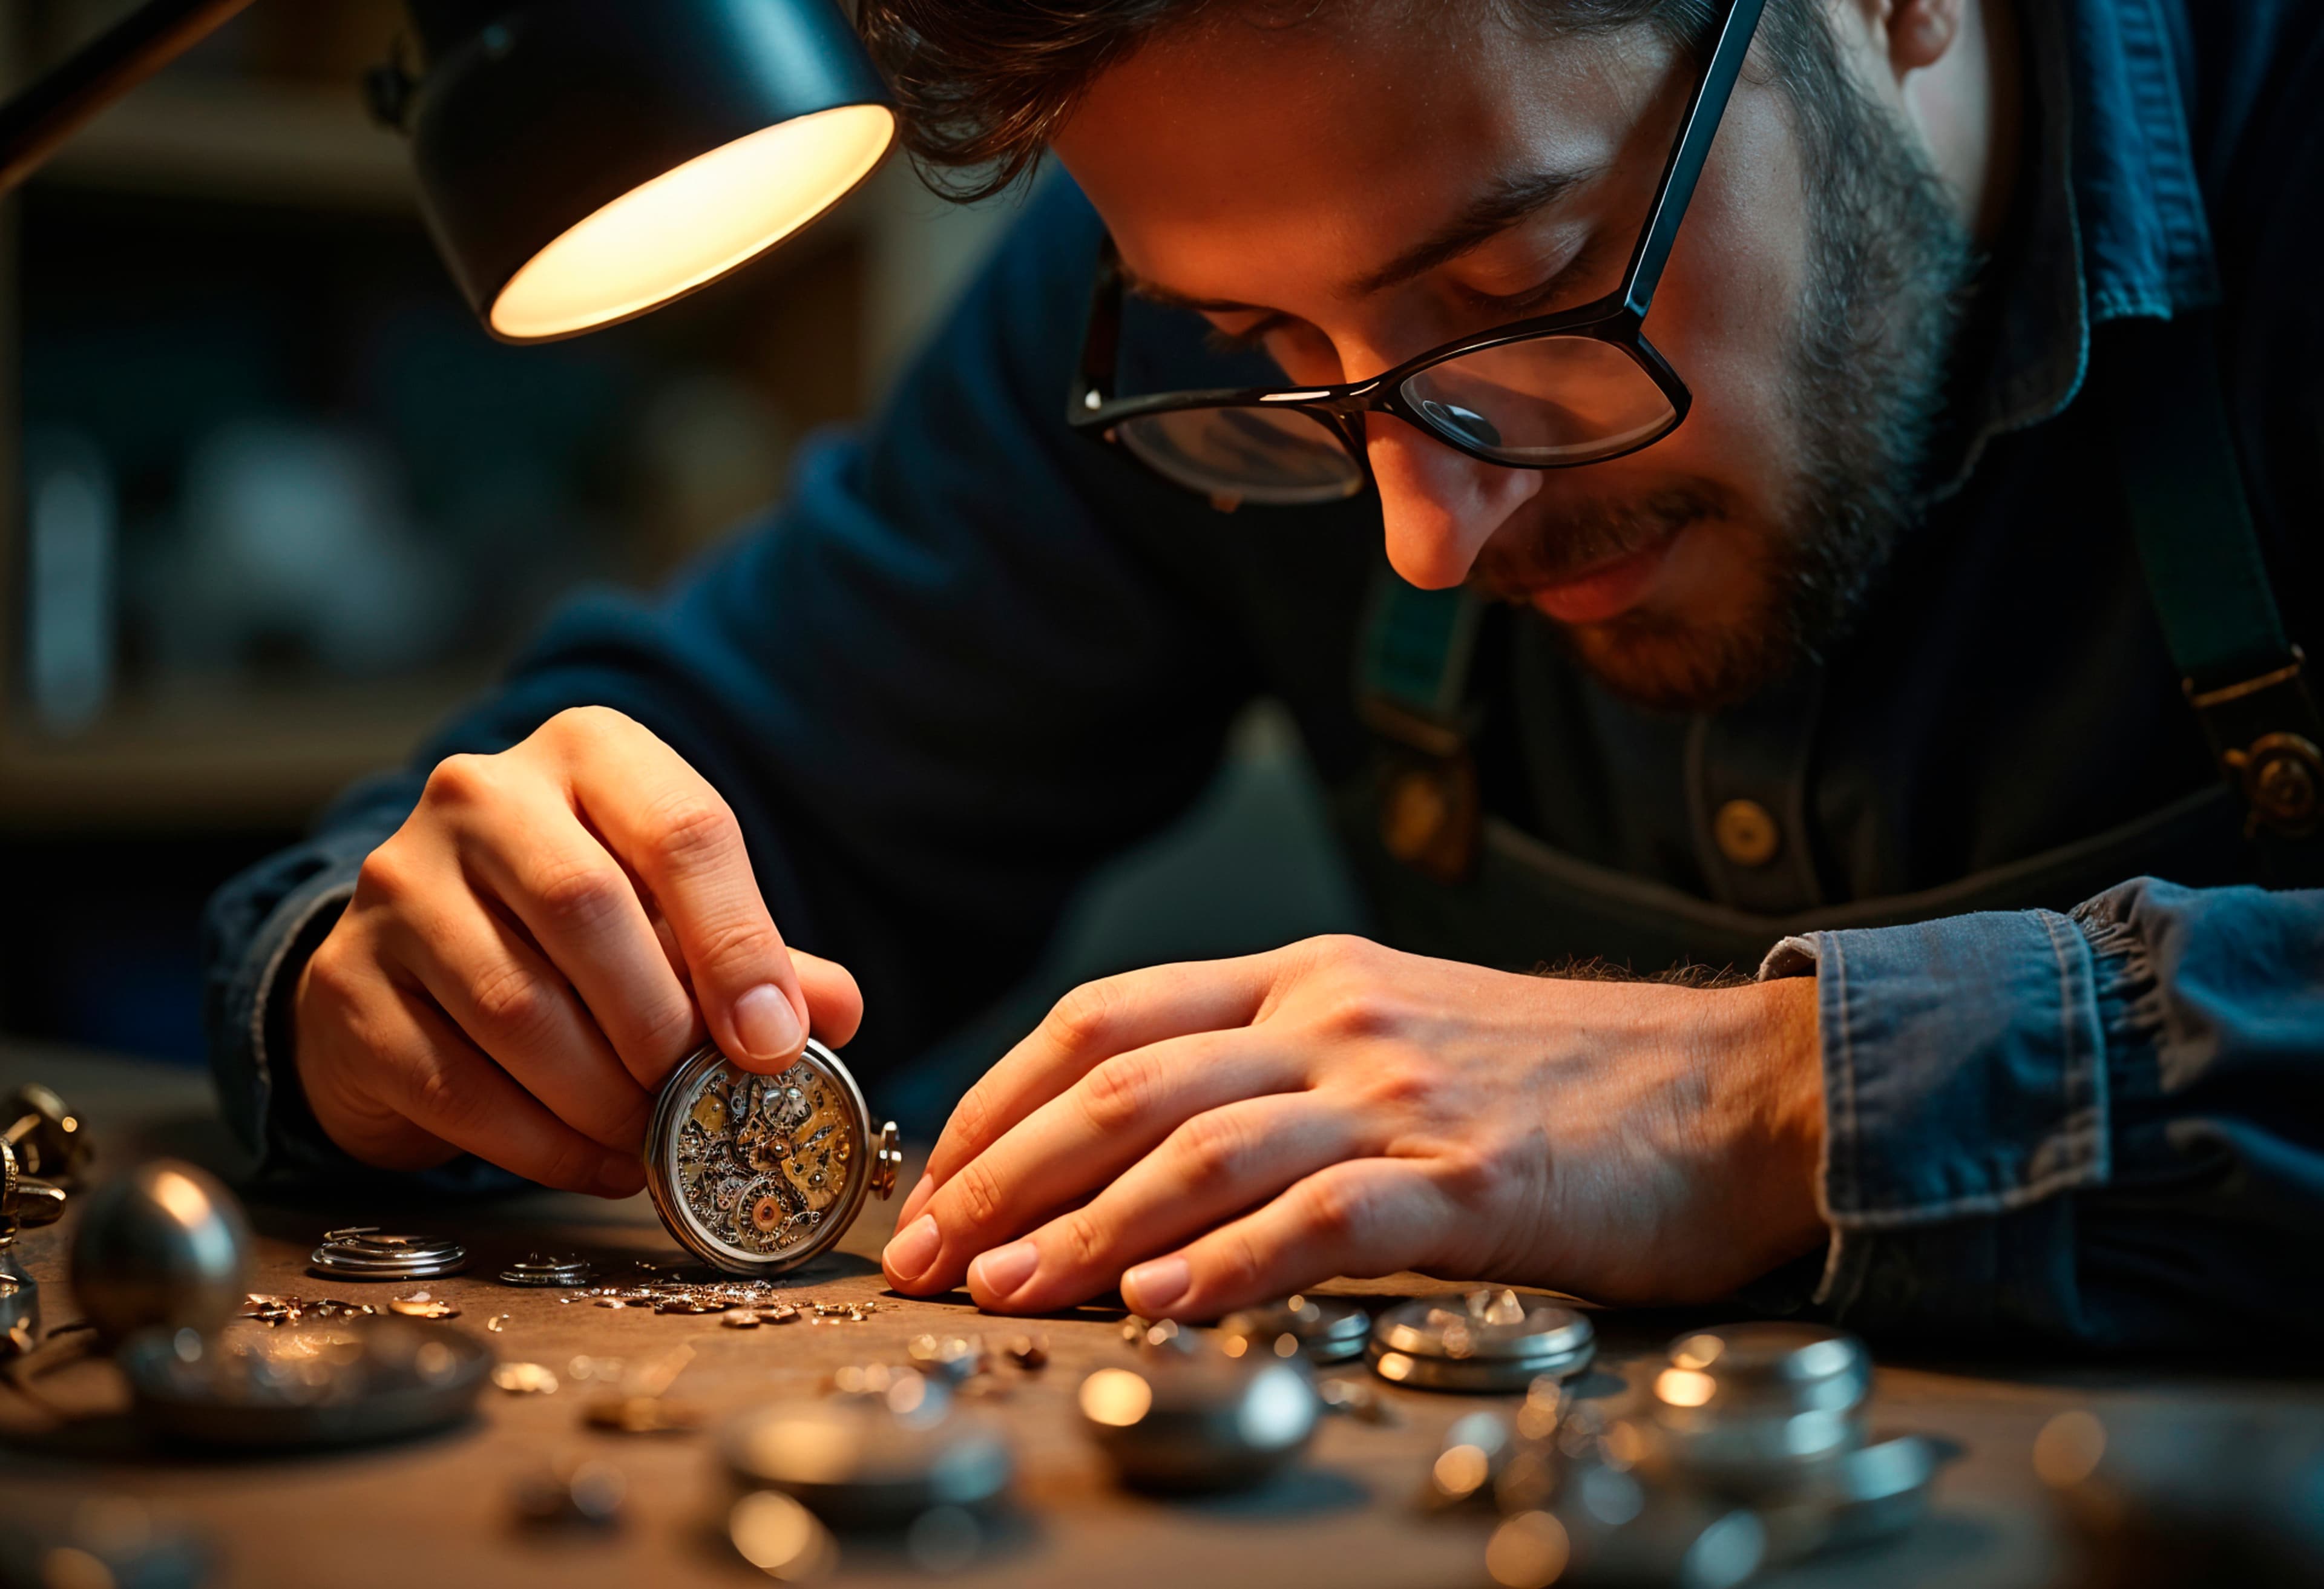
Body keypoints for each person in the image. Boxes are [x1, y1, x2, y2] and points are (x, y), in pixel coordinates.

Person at [205, 0, 2324, 1347]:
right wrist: (410, 977)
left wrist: (1772, 1099)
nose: (1419, 528)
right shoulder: (1204, 264)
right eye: (1276, 366)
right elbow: (742, 768)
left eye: (1510, 288)